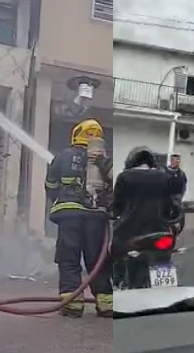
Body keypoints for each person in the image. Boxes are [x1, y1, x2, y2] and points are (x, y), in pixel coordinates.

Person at [45, 118, 113, 318]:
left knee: (69, 259)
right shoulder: (103, 159)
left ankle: (73, 304)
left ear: (77, 134)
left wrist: (59, 200)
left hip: (70, 217)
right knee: (97, 260)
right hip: (96, 217)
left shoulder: (63, 156)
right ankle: (106, 304)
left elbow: (50, 185)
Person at [112, 146, 183, 287]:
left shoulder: (124, 177)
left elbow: (116, 207)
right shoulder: (163, 176)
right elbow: (170, 206)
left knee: (114, 251)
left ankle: (118, 282)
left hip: (129, 233)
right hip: (160, 232)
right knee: (164, 256)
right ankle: (165, 285)